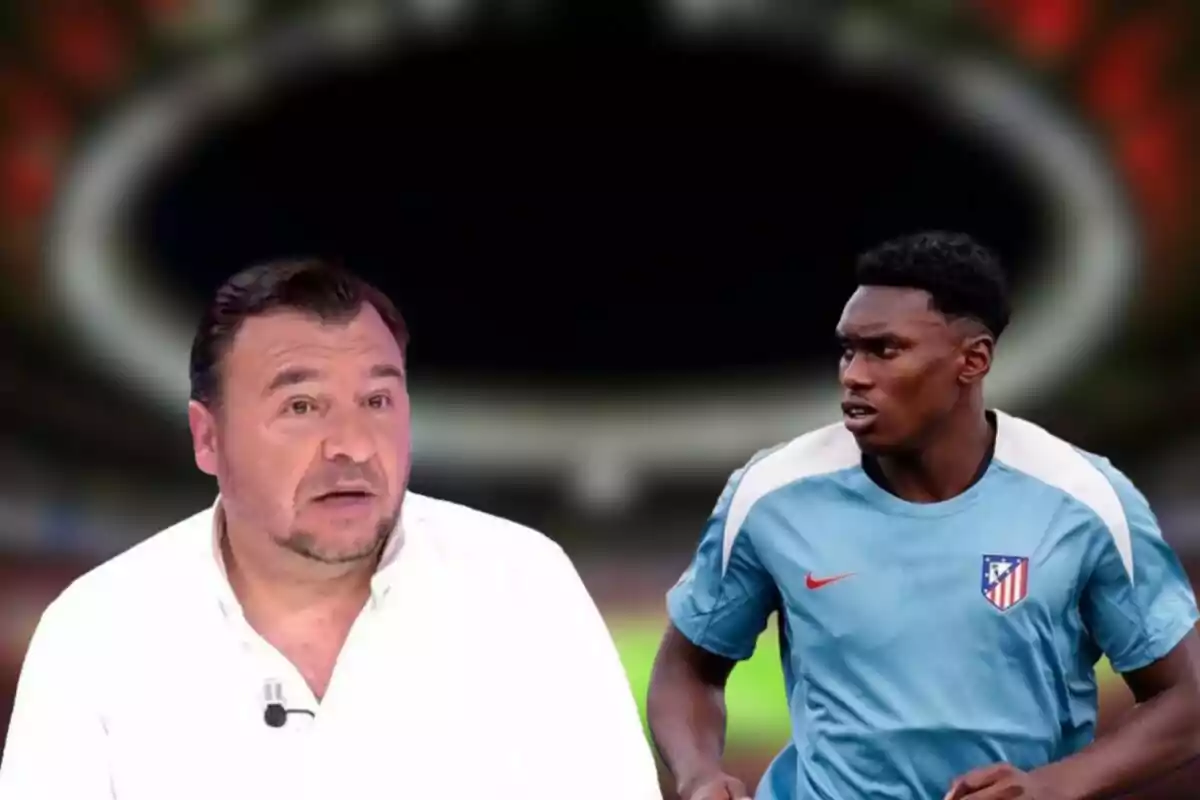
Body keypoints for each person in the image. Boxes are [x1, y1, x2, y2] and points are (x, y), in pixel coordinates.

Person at [0, 259, 663, 800]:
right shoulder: (93, 631)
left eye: (377, 400)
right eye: (301, 405)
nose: (351, 444)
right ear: (208, 438)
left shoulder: (525, 586)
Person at [646, 231, 1200, 800]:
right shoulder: (770, 493)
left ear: (973, 359)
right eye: (847, 350)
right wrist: (697, 774)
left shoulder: (1086, 498)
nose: (854, 375)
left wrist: (1053, 787)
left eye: (884, 350)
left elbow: (1187, 698)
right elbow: (689, 667)